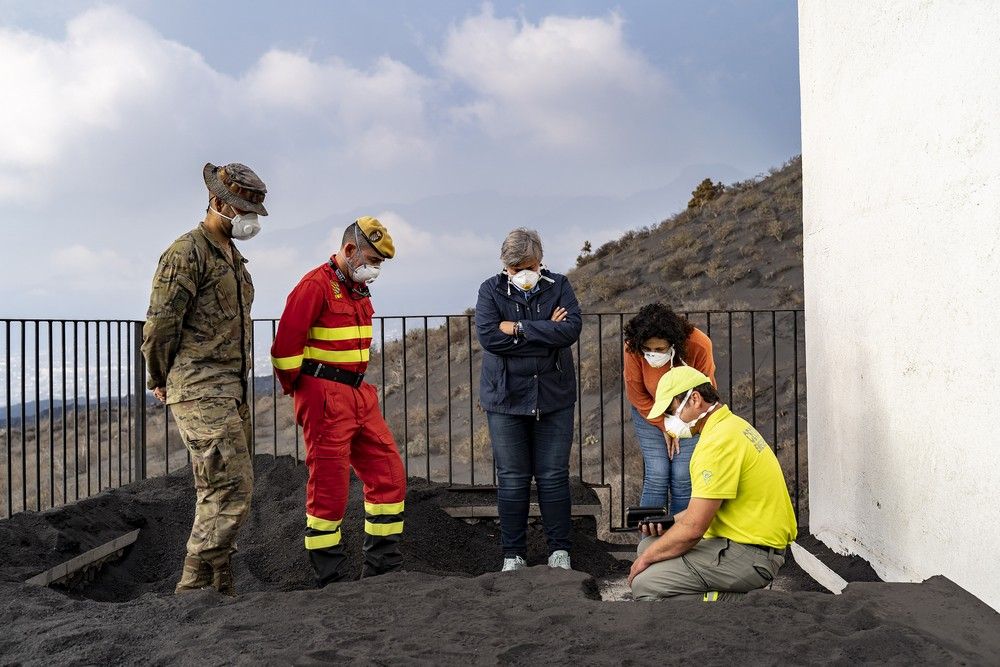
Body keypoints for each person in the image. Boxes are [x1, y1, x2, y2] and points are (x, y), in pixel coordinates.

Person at [141, 162, 268, 595]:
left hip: (230, 388)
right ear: (217, 203)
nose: (249, 219)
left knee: (216, 486)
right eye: (241, 209)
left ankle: (218, 582)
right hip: (198, 387)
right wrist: (158, 376)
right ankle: (194, 583)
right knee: (234, 485)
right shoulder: (186, 253)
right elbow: (160, 324)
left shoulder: (233, 257)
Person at [270, 217, 405, 586]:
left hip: (359, 393)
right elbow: (284, 353)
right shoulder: (315, 285)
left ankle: (383, 568)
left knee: (389, 473)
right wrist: (306, 393)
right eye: (372, 260)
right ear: (349, 250)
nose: (375, 269)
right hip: (326, 395)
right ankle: (330, 578)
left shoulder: (357, 289)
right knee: (329, 487)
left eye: (379, 263)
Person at [628, 366, 797, 601]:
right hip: (749, 542)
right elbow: (705, 508)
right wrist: (668, 522)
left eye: (671, 410)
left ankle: (734, 602)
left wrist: (645, 561)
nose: (668, 421)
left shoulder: (716, 443)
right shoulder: (731, 426)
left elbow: (694, 528)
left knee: (645, 584)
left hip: (751, 555)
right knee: (647, 547)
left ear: (694, 399)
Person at [475, 228, 582, 572]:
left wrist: (518, 328)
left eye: (527, 265)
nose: (520, 272)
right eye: (513, 267)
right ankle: (513, 555)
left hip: (554, 396)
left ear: (540, 261)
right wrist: (544, 330)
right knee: (512, 477)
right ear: (504, 266)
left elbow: (570, 331)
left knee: (553, 476)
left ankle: (560, 551)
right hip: (505, 397)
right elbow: (491, 338)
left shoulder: (560, 286)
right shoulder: (489, 290)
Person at [623, 303, 716, 514]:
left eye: (659, 349)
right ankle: (649, 543)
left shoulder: (699, 345)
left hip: (691, 414)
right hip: (649, 410)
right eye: (647, 349)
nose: (652, 354)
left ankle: (680, 540)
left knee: (683, 474)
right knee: (657, 473)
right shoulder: (632, 347)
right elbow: (636, 394)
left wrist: (679, 424)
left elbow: (706, 393)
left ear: (674, 343)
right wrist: (664, 425)